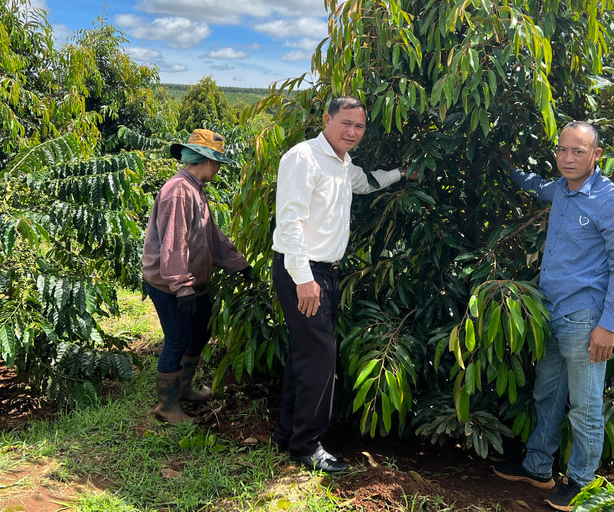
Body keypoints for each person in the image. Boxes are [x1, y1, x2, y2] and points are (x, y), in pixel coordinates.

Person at [493, 122, 614, 511]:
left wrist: (608, 326)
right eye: (562, 150)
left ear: (597, 155)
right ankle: (538, 467)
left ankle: (583, 483)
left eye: (578, 151)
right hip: (550, 313)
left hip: (586, 317)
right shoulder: (560, 188)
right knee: (547, 393)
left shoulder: (611, 201)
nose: (568, 158)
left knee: (585, 405)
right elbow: (536, 185)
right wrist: (508, 166)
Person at [272, 96, 411, 473]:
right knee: (320, 357)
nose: (352, 132)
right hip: (303, 272)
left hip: (325, 273)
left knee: (306, 353)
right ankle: (307, 445)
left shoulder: (343, 163)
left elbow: (366, 183)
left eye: (360, 126)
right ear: (326, 119)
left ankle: (288, 435)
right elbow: (290, 221)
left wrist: (402, 173)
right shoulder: (303, 158)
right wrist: (304, 279)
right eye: (345, 123)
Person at [141, 129, 249, 424]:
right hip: (169, 283)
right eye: (218, 163)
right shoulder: (178, 191)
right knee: (177, 338)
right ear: (208, 161)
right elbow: (173, 243)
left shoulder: (195, 189)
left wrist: (239, 264)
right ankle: (167, 406)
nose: (219, 169)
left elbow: (211, 236)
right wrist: (182, 287)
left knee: (200, 332)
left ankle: (184, 387)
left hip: (192, 280)